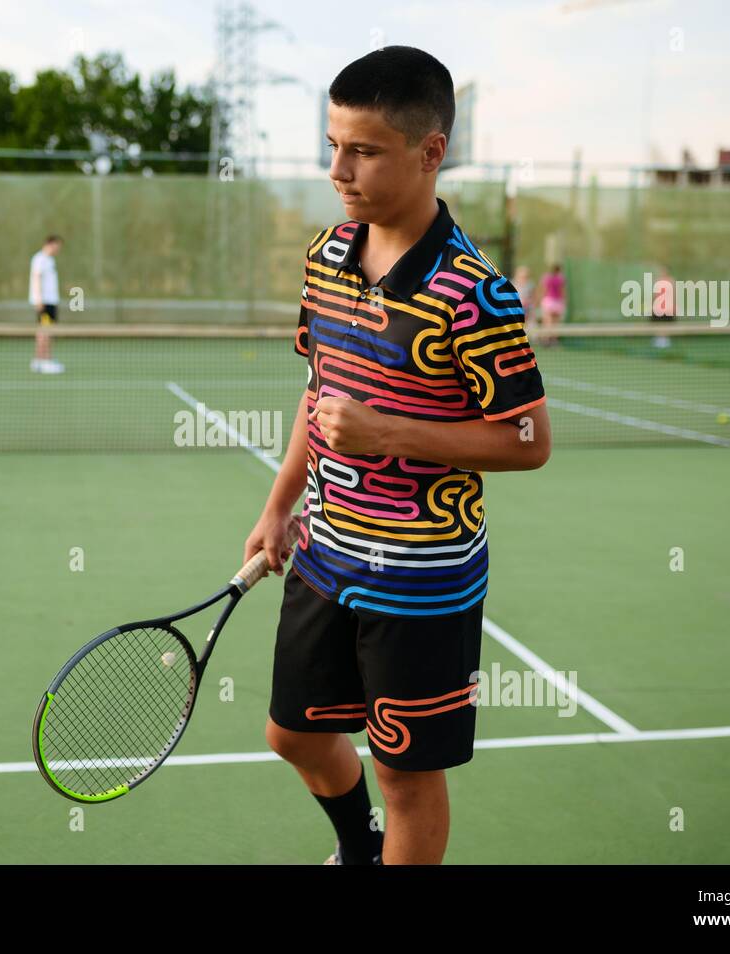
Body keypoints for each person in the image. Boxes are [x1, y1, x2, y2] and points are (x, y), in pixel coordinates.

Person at [245, 45, 551, 866]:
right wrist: (279, 506)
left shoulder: (475, 291)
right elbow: (320, 395)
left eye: (364, 150)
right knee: (292, 735)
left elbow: (530, 441)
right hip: (322, 551)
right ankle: (361, 851)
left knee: (405, 777)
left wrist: (389, 435)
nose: (338, 169)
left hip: (422, 578)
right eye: (333, 143)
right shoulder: (326, 256)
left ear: (429, 153)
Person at [29, 235, 63, 374]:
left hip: (51, 302)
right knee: (45, 332)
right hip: (45, 303)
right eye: (57, 246)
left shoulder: (50, 260)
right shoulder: (40, 259)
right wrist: (38, 299)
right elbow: (36, 277)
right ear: (50, 244)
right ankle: (44, 361)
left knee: (46, 331)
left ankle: (40, 360)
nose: (58, 249)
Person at [537, 263, 565, 346]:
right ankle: (554, 340)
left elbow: (543, 290)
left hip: (548, 301)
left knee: (547, 322)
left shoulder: (546, 277)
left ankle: (546, 340)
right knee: (555, 323)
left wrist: (539, 300)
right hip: (557, 302)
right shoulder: (561, 278)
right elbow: (563, 291)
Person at [651, 265, 675, 348]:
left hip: (667, 308)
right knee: (658, 324)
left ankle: (664, 340)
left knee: (666, 324)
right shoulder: (657, 281)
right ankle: (659, 340)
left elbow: (672, 294)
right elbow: (655, 295)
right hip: (658, 308)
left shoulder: (671, 281)